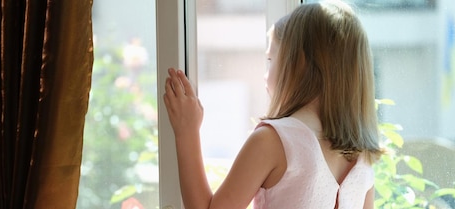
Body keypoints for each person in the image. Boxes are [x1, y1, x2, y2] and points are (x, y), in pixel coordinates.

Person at [163, 1, 382, 208]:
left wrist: (186, 132)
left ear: (298, 63)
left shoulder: (273, 141)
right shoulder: (363, 161)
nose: (265, 76)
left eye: (271, 60)